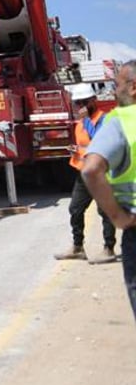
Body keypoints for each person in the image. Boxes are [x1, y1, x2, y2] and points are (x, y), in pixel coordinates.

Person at [82, 59, 136, 321]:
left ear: (133, 88)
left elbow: (91, 169)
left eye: (117, 85)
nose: (114, 92)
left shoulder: (121, 121)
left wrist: (118, 217)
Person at [53, 83, 116, 262]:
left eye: (83, 103)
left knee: (104, 211)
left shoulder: (104, 120)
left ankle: (108, 249)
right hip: (84, 173)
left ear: (93, 101)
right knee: (75, 209)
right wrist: (76, 150)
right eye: (77, 103)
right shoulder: (81, 123)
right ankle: (77, 247)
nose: (79, 107)